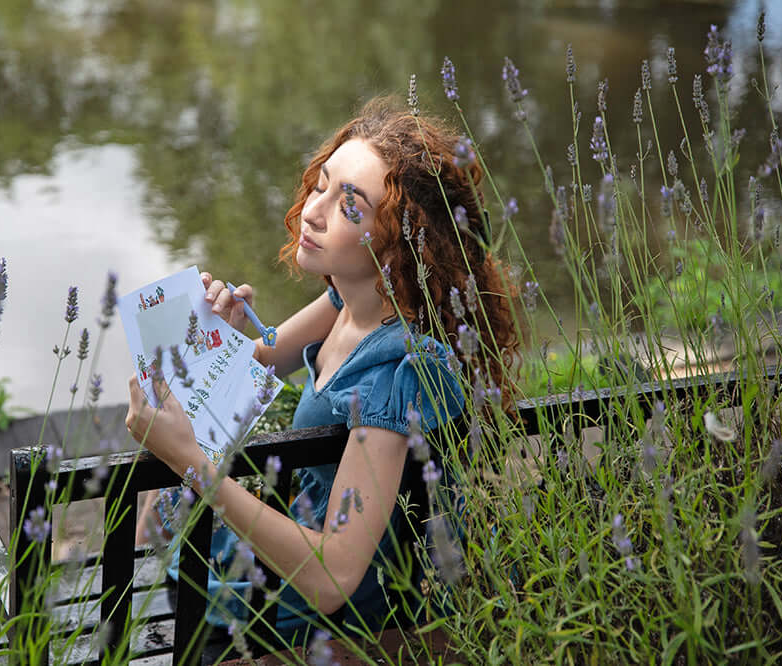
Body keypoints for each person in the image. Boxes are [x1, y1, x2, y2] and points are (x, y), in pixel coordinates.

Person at [126, 96, 518, 646]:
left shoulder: (395, 371)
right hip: (241, 583)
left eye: (349, 206)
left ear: (398, 246)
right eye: (322, 185)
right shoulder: (343, 304)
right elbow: (248, 371)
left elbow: (333, 577)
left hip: (287, 625)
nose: (313, 211)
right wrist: (217, 335)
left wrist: (191, 464)